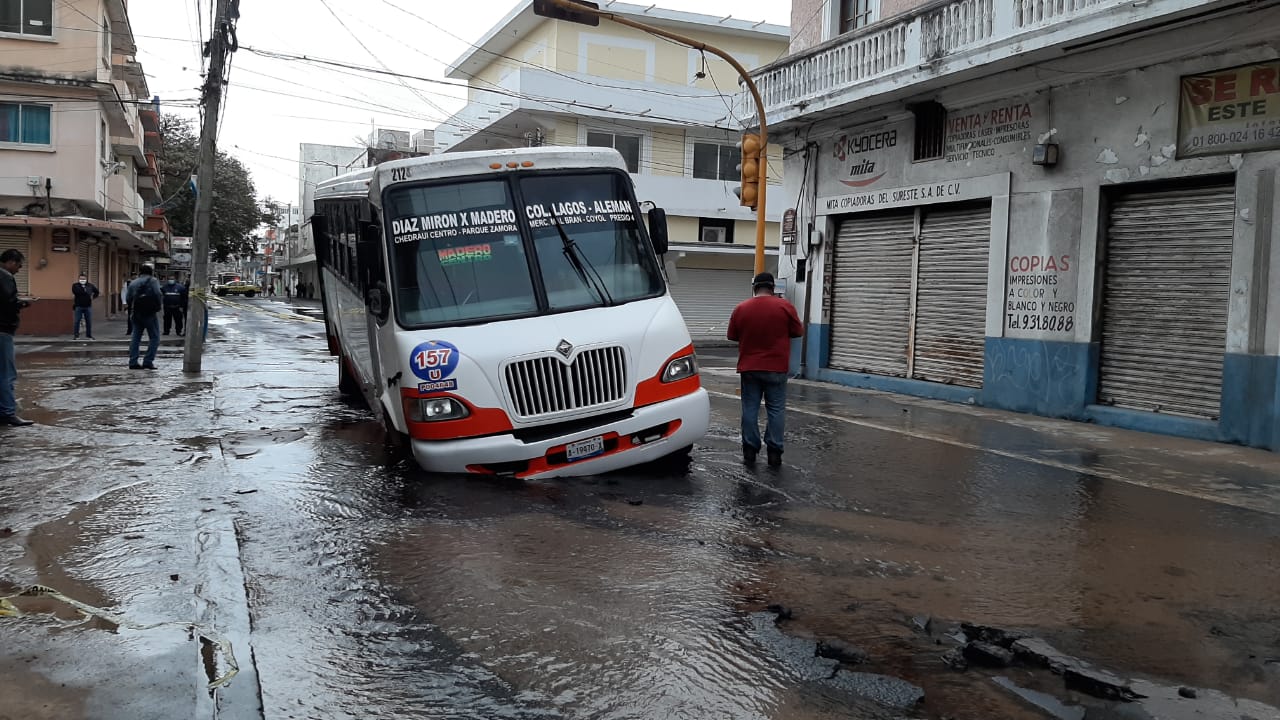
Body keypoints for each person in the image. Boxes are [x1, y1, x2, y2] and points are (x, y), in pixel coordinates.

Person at [727, 272, 803, 468]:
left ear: (755, 287)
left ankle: (750, 450)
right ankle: (774, 452)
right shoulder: (785, 307)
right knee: (776, 409)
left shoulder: (741, 308)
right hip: (776, 368)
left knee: (750, 408)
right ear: (772, 288)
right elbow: (797, 332)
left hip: (749, 368)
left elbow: (732, 335)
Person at [0, 249, 34, 426]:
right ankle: (7, 412)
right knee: (6, 374)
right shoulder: (5, 277)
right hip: (3, 330)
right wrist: (24, 303)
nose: (19, 269)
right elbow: (9, 303)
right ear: (11, 262)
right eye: (19, 265)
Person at [126, 265, 164, 370]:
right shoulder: (153, 281)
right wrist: (158, 306)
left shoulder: (133, 282)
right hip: (149, 313)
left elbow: (128, 298)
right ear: (151, 272)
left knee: (135, 337)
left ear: (140, 272)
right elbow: (158, 294)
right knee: (154, 337)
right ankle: (148, 361)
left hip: (136, 312)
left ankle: (133, 362)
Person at [71, 272, 100, 340]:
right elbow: (76, 292)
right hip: (78, 306)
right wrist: (85, 290)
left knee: (88, 321)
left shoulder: (90, 285)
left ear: (86, 279)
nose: (82, 280)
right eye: (81, 279)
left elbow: (97, 292)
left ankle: (89, 335)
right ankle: (76, 335)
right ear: (78, 279)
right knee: (77, 321)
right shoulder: (75, 285)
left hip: (88, 306)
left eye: (84, 279)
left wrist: (93, 297)